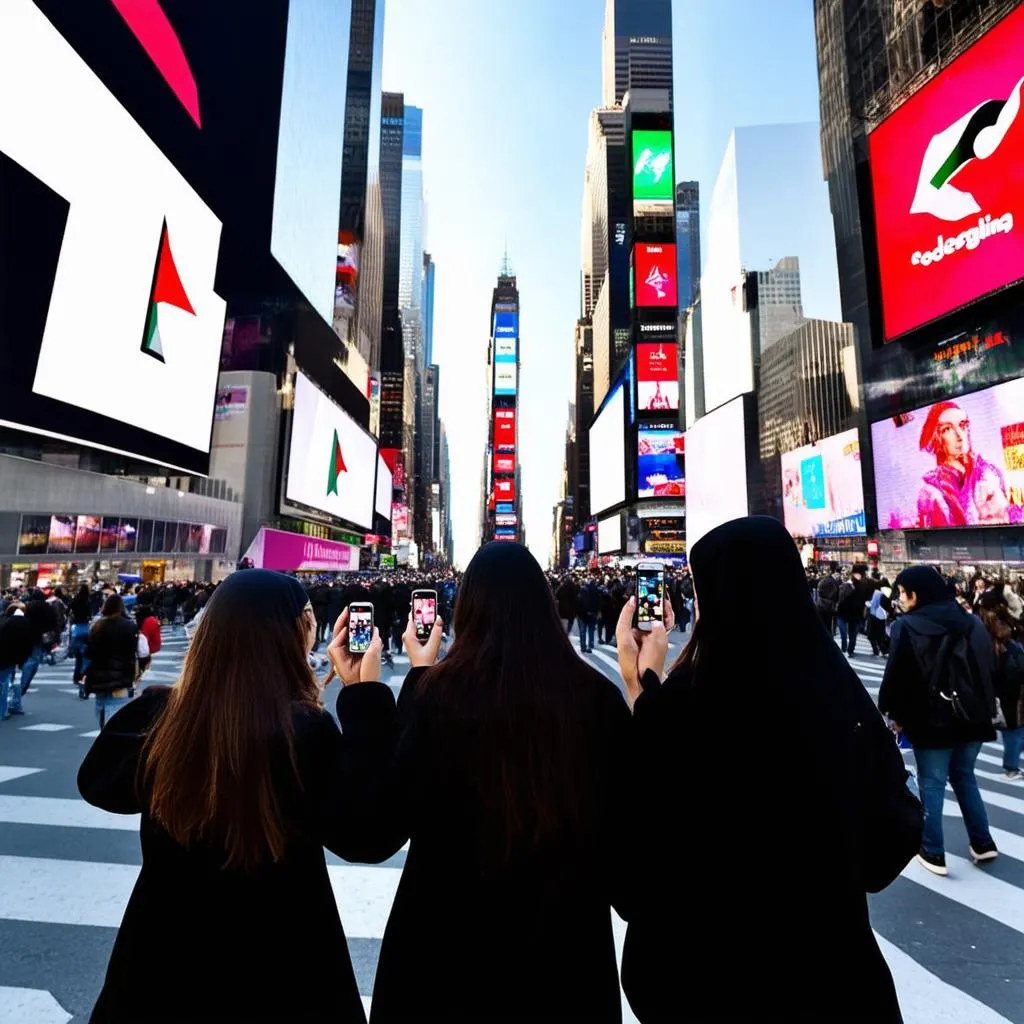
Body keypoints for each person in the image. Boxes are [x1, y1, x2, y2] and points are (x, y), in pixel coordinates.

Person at [617, 517, 920, 1023]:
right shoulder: (837, 695)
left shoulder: (678, 710)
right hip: (833, 984)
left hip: (708, 986)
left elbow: (632, 874)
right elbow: (892, 837)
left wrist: (641, 687)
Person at [77, 570, 395, 1024]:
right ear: (289, 633)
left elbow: (97, 783)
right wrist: (364, 695)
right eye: (306, 618)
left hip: (163, 962)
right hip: (280, 966)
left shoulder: (162, 718)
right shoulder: (301, 732)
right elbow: (368, 835)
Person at [352, 542, 632, 1022]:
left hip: (444, 967)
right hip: (564, 972)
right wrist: (644, 692)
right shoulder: (599, 702)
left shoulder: (434, 699)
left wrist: (370, 695)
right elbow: (630, 873)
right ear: (546, 606)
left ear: (466, 608)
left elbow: (375, 829)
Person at [878, 565, 999, 876]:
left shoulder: (908, 625)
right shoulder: (971, 622)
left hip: (931, 720)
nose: (901, 599)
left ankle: (933, 851)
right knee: (965, 778)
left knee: (931, 783)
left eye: (904, 593)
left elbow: (898, 677)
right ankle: (983, 843)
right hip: (972, 717)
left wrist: (893, 713)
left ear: (916, 595)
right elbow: (988, 667)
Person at [915, 400, 1014, 527]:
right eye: (947, 429)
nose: (959, 435)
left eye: (962, 425)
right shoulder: (932, 492)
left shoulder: (989, 471)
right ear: (937, 438)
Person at [979, 600, 1024, 780]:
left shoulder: (987, 645)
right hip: (1011, 696)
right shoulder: (1008, 647)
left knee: (1013, 731)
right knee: (1014, 732)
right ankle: (1011, 767)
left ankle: (1011, 765)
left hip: (1002, 695)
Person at [83, 595, 140, 728]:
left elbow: (89, 653)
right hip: (120, 678)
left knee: (102, 716)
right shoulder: (129, 626)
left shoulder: (97, 626)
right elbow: (134, 652)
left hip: (98, 678)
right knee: (118, 722)